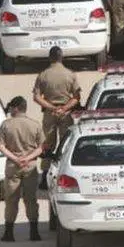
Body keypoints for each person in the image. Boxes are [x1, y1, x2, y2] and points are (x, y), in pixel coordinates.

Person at [0, 96, 45, 242]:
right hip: (30, 166)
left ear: (16, 108)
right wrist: (28, 158)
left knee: (11, 200)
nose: (10, 109)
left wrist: (16, 159)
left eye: (11, 107)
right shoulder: (35, 125)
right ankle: (34, 233)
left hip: (13, 166)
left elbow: (1, 146)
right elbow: (42, 147)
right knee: (31, 199)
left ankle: (9, 233)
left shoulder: (6, 125)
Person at [32, 46, 81, 190]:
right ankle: (63, 174)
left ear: (50, 58)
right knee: (65, 144)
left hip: (49, 113)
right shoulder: (70, 75)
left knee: (47, 144)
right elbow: (77, 97)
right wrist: (64, 108)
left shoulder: (43, 75)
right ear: (62, 58)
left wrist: (52, 108)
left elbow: (36, 97)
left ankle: (45, 175)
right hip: (65, 113)